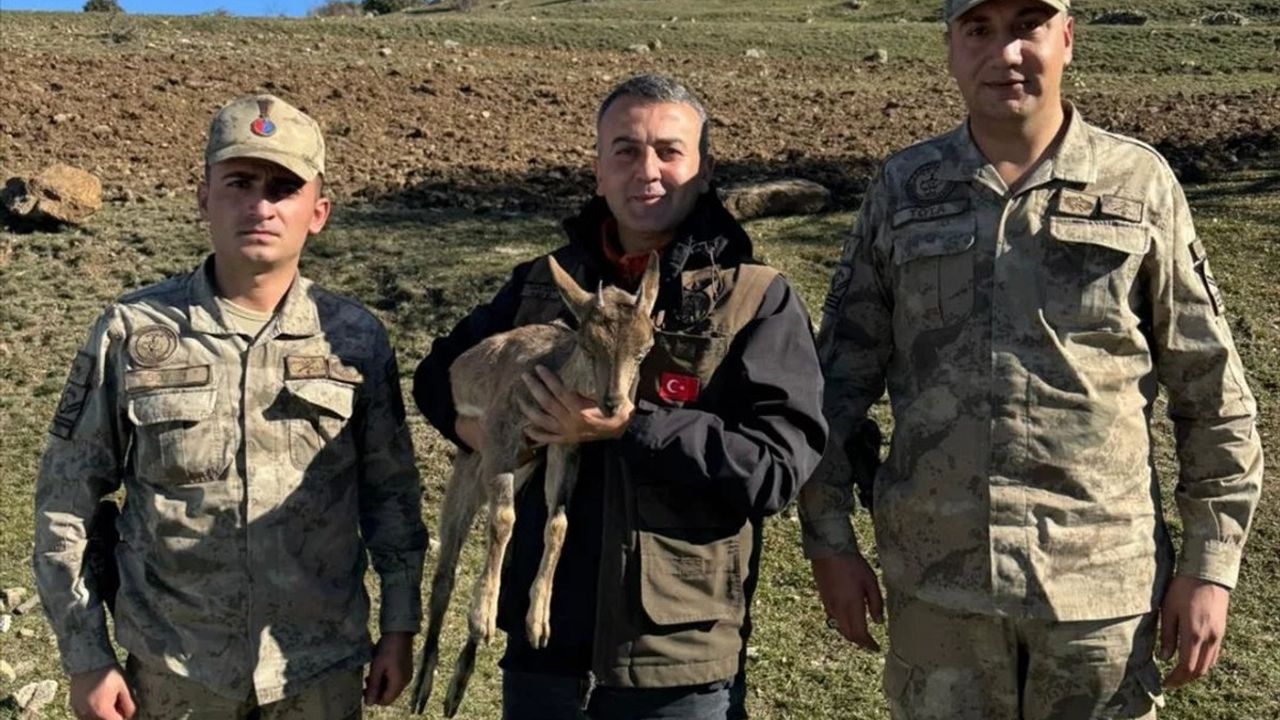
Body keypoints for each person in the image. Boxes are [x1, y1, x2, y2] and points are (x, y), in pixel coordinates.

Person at [799, 0, 1265, 718]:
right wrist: (830, 542)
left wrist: (1210, 566)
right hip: (938, 593)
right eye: (979, 30)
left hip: (1099, 596)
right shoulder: (905, 189)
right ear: (951, 48)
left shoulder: (1138, 185)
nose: (1005, 52)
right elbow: (834, 385)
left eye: (1027, 26)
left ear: (1068, 39)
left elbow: (1211, 391)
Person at [413, 73, 827, 719]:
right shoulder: (541, 286)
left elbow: (775, 468)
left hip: (674, 662)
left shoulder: (756, 298)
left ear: (705, 169)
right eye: (626, 151)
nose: (648, 171)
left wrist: (629, 428)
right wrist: (494, 435)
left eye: (670, 151)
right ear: (599, 170)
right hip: (541, 654)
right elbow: (438, 375)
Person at [33, 94, 428, 720]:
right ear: (203, 198)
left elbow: (392, 497)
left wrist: (401, 627)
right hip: (174, 669)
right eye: (239, 182)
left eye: (284, 188)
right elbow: (65, 500)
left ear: (318, 212)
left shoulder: (355, 339)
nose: (261, 205)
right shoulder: (131, 332)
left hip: (318, 669)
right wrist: (86, 656)